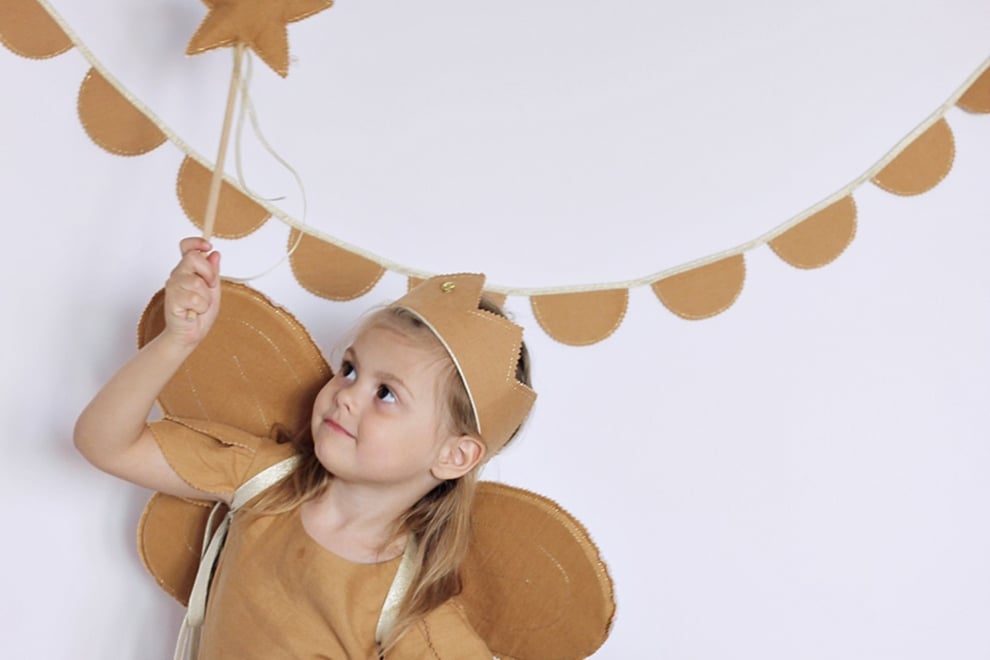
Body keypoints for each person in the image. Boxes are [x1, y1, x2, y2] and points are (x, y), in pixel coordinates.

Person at [74, 236, 537, 658]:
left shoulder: (411, 615)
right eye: (350, 369)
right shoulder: (263, 479)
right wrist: (177, 341)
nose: (347, 395)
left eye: (386, 394)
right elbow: (105, 444)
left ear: (454, 456)